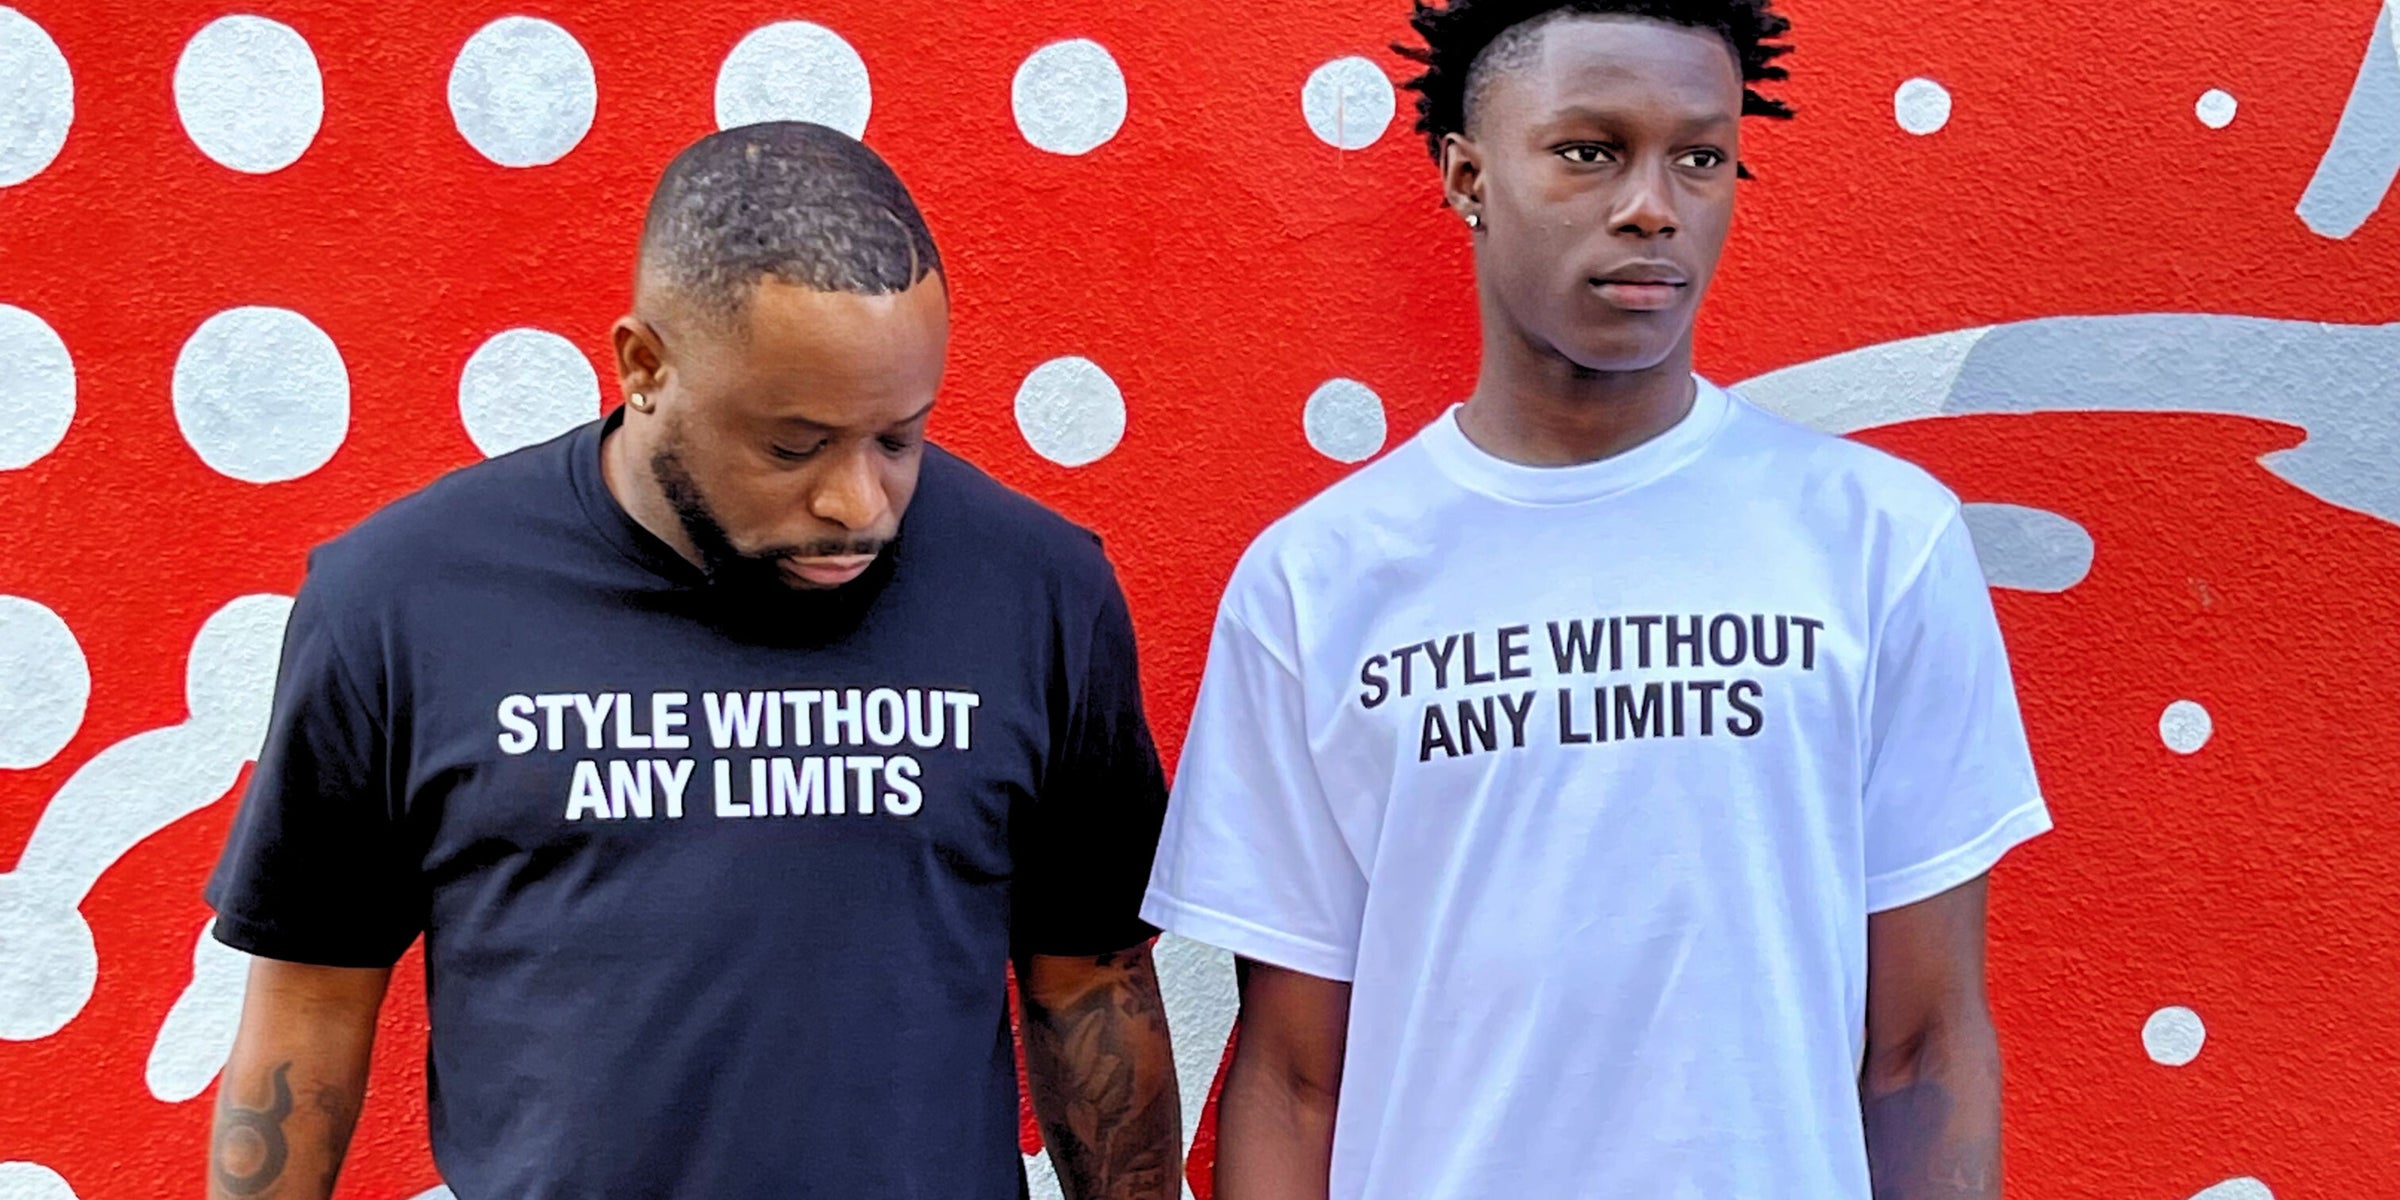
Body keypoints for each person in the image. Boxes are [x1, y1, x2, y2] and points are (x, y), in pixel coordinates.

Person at [1141, 2, 2050, 1197]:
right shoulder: (1318, 581)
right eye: (1590, 150)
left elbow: (1924, 1050)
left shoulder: (1878, 540)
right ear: (1467, 175)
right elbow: (1292, 1080)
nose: (1653, 206)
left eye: (1701, 157)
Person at [204, 122, 1179, 1200]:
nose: (858, 503)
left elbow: (1091, 986)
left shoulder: (1037, 591)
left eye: (899, 437)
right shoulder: (400, 600)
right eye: (794, 445)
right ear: (644, 367)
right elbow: (311, 1005)